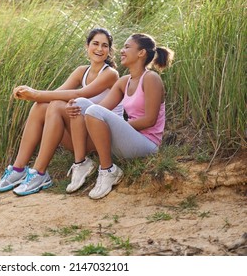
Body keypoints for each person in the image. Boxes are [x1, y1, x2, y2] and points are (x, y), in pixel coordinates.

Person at [0, 28, 123, 196]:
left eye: (105, 46)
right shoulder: (81, 71)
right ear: (87, 46)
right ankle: (18, 169)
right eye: (95, 44)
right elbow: (56, 95)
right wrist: (31, 94)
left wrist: (35, 93)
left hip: (103, 138)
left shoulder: (110, 74)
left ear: (109, 51)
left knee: (53, 104)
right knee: (41, 106)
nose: (99, 49)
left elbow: (79, 94)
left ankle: (39, 173)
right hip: (82, 135)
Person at [66, 33, 174, 199]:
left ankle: (108, 170)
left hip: (147, 144)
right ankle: (80, 163)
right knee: (80, 104)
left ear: (141, 53)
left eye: (127, 47)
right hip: (127, 141)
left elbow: (149, 120)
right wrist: (78, 111)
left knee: (93, 111)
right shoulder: (124, 81)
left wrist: (116, 126)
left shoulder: (151, 79)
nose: (121, 51)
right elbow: (99, 109)